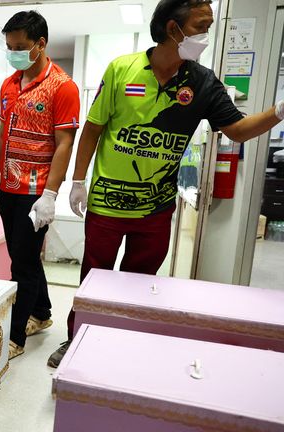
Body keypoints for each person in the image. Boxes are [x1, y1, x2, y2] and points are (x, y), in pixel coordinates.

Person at [48, 0, 284, 368]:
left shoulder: (203, 82)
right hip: (107, 204)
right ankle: (77, 340)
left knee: (142, 284)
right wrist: (77, 181)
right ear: (173, 29)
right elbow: (93, 128)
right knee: (94, 280)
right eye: (201, 26)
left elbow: (236, 130)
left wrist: (278, 112)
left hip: (155, 209)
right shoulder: (122, 69)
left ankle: (125, 346)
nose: (206, 34)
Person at [0, 11, 80, 359]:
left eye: (20, 46)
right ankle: (42, 312)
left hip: (36, 193)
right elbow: (2, 134)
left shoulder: (63, 86)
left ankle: (16, 334)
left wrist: (51, 195)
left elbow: (64, 143)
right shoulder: (9, 84)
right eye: (9, 47)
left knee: (20, 264)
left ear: (40, 44)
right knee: (24, 255)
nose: (14, 53)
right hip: (8, 188)